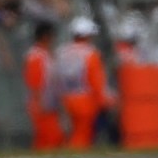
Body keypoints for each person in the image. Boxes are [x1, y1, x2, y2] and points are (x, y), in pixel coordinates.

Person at [56, 16, 113, 149]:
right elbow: (96, 81)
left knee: (67, 133)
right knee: (83, 133)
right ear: (87, 35)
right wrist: (105, 101)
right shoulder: (90, 54)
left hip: (64, 98)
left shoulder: (61, 51)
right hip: (85, 99)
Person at [23, 21, 64, 150]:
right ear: (46, 36)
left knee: (50, 138)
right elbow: (34, 82)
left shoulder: (47, 54)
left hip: (50, 103)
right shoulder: (36, 56)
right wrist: (40, 103)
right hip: (41, 104)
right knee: (49, 138)